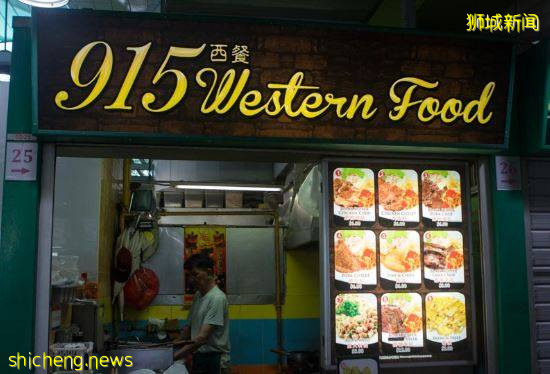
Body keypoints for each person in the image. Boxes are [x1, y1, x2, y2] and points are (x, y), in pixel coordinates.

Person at [175, 253, 230, 373]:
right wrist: (168, 347)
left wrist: (174, 356)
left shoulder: (217, 298)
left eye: (195, 274)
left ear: (209, 272)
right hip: (199, 357)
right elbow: (187, 329)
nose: (191, 280)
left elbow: (201, 338)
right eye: (189, 275)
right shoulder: (198, 296)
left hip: (214, 360)